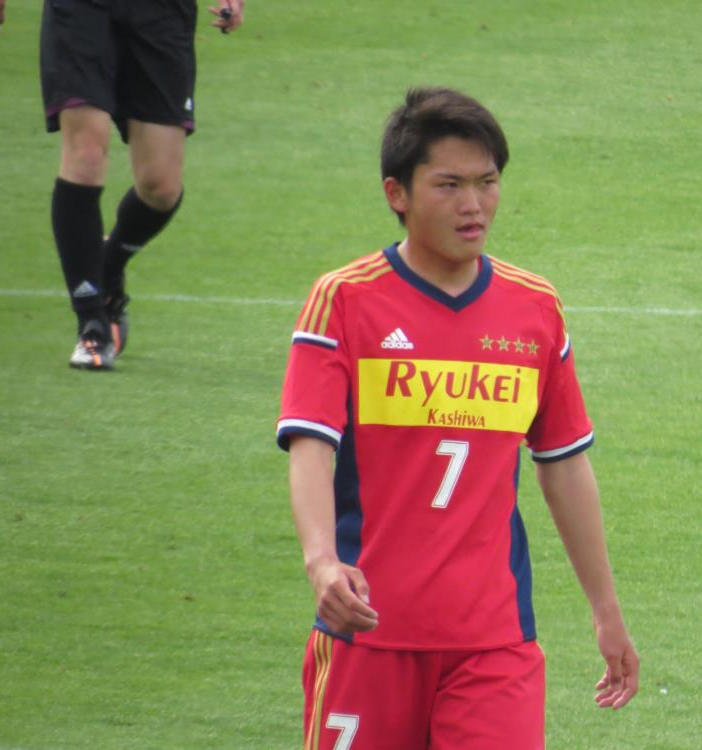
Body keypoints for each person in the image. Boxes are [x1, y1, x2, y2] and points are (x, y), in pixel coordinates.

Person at [277, 87, 639, 749]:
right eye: (449, 185)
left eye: (487, 182)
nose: (473, 205)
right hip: (368, 634)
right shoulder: (345, 301)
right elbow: (311, 445)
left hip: (494, 644)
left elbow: (564, 465)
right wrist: (322, 562)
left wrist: (606, 611)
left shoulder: (535, 309)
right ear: (397, 193)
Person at [0, 0, 246, 370]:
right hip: (81, 10)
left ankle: (109, 263)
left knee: (161, 186)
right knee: (85, 154)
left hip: (163, 13)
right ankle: (92, 323)